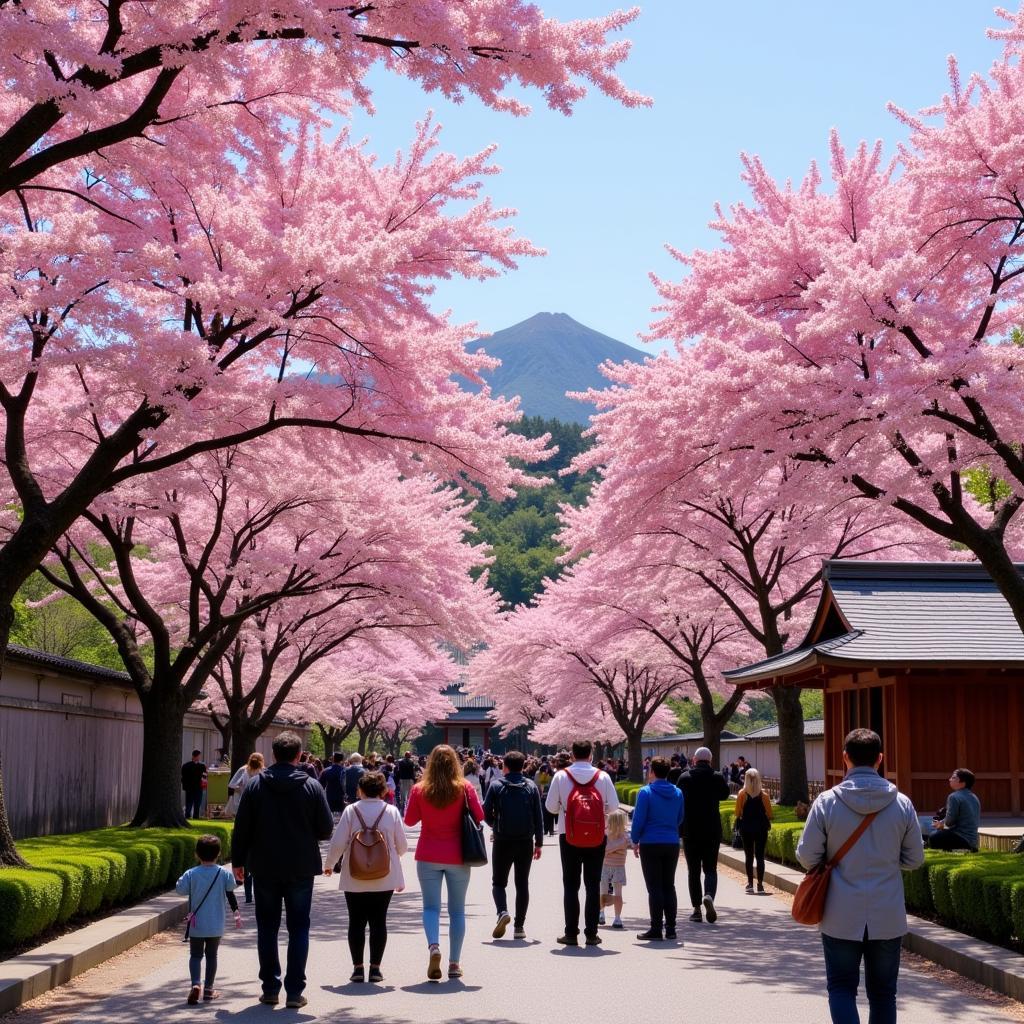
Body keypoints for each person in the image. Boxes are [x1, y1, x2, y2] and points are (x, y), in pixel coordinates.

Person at [796, 728, 924, 1024]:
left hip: (840, 910)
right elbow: (915, 858)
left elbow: (806, 856)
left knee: (841, 988)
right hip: (887, 910)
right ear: (880, 759)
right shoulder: (902, 803)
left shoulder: (827, 801)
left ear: (845, 758)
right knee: (883, 993)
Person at [231, 730, 334, 1010]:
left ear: (273, 755)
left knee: (267, 927)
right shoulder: (311, 786)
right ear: (299, 755)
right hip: (301, 865)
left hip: (264, 865)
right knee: (299, 927)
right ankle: (294, 991)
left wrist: (237, 861)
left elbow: (241, 828)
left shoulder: (255, 786)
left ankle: (270, 988)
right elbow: (326, 829)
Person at [404, 744, 485, 981]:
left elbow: (409, 821)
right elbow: (480, 816)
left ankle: (433, 946)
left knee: (431, 908)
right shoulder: (465, 788)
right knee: (457, 910)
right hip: (459, 855)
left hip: (428, 853)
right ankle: (454, 962)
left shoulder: (420, 789)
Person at [324, 771, 408, 984]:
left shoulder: (351, 811)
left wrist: (329, 864)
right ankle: (376, 969)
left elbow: (338, 842)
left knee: (356, 921)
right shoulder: (391, 811)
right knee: (379, 921)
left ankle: (358, 969)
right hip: (384, 876)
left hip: (355, 875)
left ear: (359, 790)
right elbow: (403, 846)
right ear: (383, 790)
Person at [545, 739, 620, 947]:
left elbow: (551, 808)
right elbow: (613, 807)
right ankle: (591, 933)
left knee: (571, 885)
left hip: (568, 835)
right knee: (592, 885)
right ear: (591, 755)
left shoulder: (561, 775)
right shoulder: (602, 776)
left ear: (572, 754)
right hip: (596, 835)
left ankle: (570, 933)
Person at [483, 750, 544, 941]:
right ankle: (519, 927)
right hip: (525, 841)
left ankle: (502, 912)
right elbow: (538, 816)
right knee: (522, 883)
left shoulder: (496, 785)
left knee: (499, 882)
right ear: (523, 765)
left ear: (505, 766)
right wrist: (539, 843)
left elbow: (486, 813)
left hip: (502, 840)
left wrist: (496, 825)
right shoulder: (531, 786)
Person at [175, 833, 240, 1004]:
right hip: (216, 924)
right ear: (219, 853)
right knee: (212, 956)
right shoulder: (223, 873)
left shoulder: (191, 873)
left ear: (196, 854)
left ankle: (196, 984)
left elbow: (180, 889)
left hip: (197, 925)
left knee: (195, 955)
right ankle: (209, 989)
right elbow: (232, 885)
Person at [630, 755, 684, 940]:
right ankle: (671, 928)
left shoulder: (645, 793)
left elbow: (638, 820)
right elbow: (680, 817)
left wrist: (634, 839)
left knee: (654, 887)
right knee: (669, 885)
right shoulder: (678, 792)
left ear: (652, 771)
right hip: (671, 841)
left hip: (650, 842)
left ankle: (655, 927)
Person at [677, 746, 730, 922]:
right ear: (710, 760)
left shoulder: (684, 778)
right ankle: (709, 895)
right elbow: (725, 794)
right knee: (710, 869)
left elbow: (678, 800)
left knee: (693, 870)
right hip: (712, 829)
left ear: (694, 760)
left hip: (690, 830)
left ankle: (697, 909)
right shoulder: (717, 776)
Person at [227, 752, 265, 902]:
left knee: (248, 857)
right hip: (259, 810)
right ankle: (256, 893)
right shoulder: (264, 772)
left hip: (243, 808)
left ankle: (248, 895)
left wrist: (240, 788)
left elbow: (231, 784)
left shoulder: (244, 770)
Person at [735, 768, 773, 895]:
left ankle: (750, 884)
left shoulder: (742, 794)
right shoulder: (764, 795)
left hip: (746, 828)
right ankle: (760, 885)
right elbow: (769, 814)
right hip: (761, 828)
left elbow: (738, 813)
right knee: (760, 856)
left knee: (749, 856)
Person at [928, 769, 980, 851]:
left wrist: (940, 824)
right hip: (973, 840)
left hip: (962, 838)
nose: (950, 779)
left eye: (953, 778)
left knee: (933, 836)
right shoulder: (974, 796)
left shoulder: (954, 796)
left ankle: (956, 849)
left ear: (962, 782)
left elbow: (949, 822)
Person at [599, 809, 629, 929]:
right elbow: (627, 845)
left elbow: (604, 850)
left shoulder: (605, 835)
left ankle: (601, 913)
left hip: (605, 865)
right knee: (618, 893)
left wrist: (610, 850)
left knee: (603, 890)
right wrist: (618, 849)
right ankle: (617, 918)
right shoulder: (626, 836)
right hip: (619, 866)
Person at [319, 752, 347, 820]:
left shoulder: (326, 771)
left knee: (330, 816)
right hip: (341, 797)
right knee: (341, 817)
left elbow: (320, 785)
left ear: (333, 759)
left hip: (329, 796)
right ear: (342, 760)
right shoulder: (345, 771)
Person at [182, 749, 207, 820]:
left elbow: (204, 776)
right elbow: (184, 777)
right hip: (191, 787)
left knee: (197, 802)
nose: (199, 757)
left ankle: (195, 816)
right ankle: (188, 815)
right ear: (193, 756)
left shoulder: (202, 766)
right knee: (189, 802)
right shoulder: (186, 766)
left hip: (198, 787)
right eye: (198, 756)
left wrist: (203, 785)